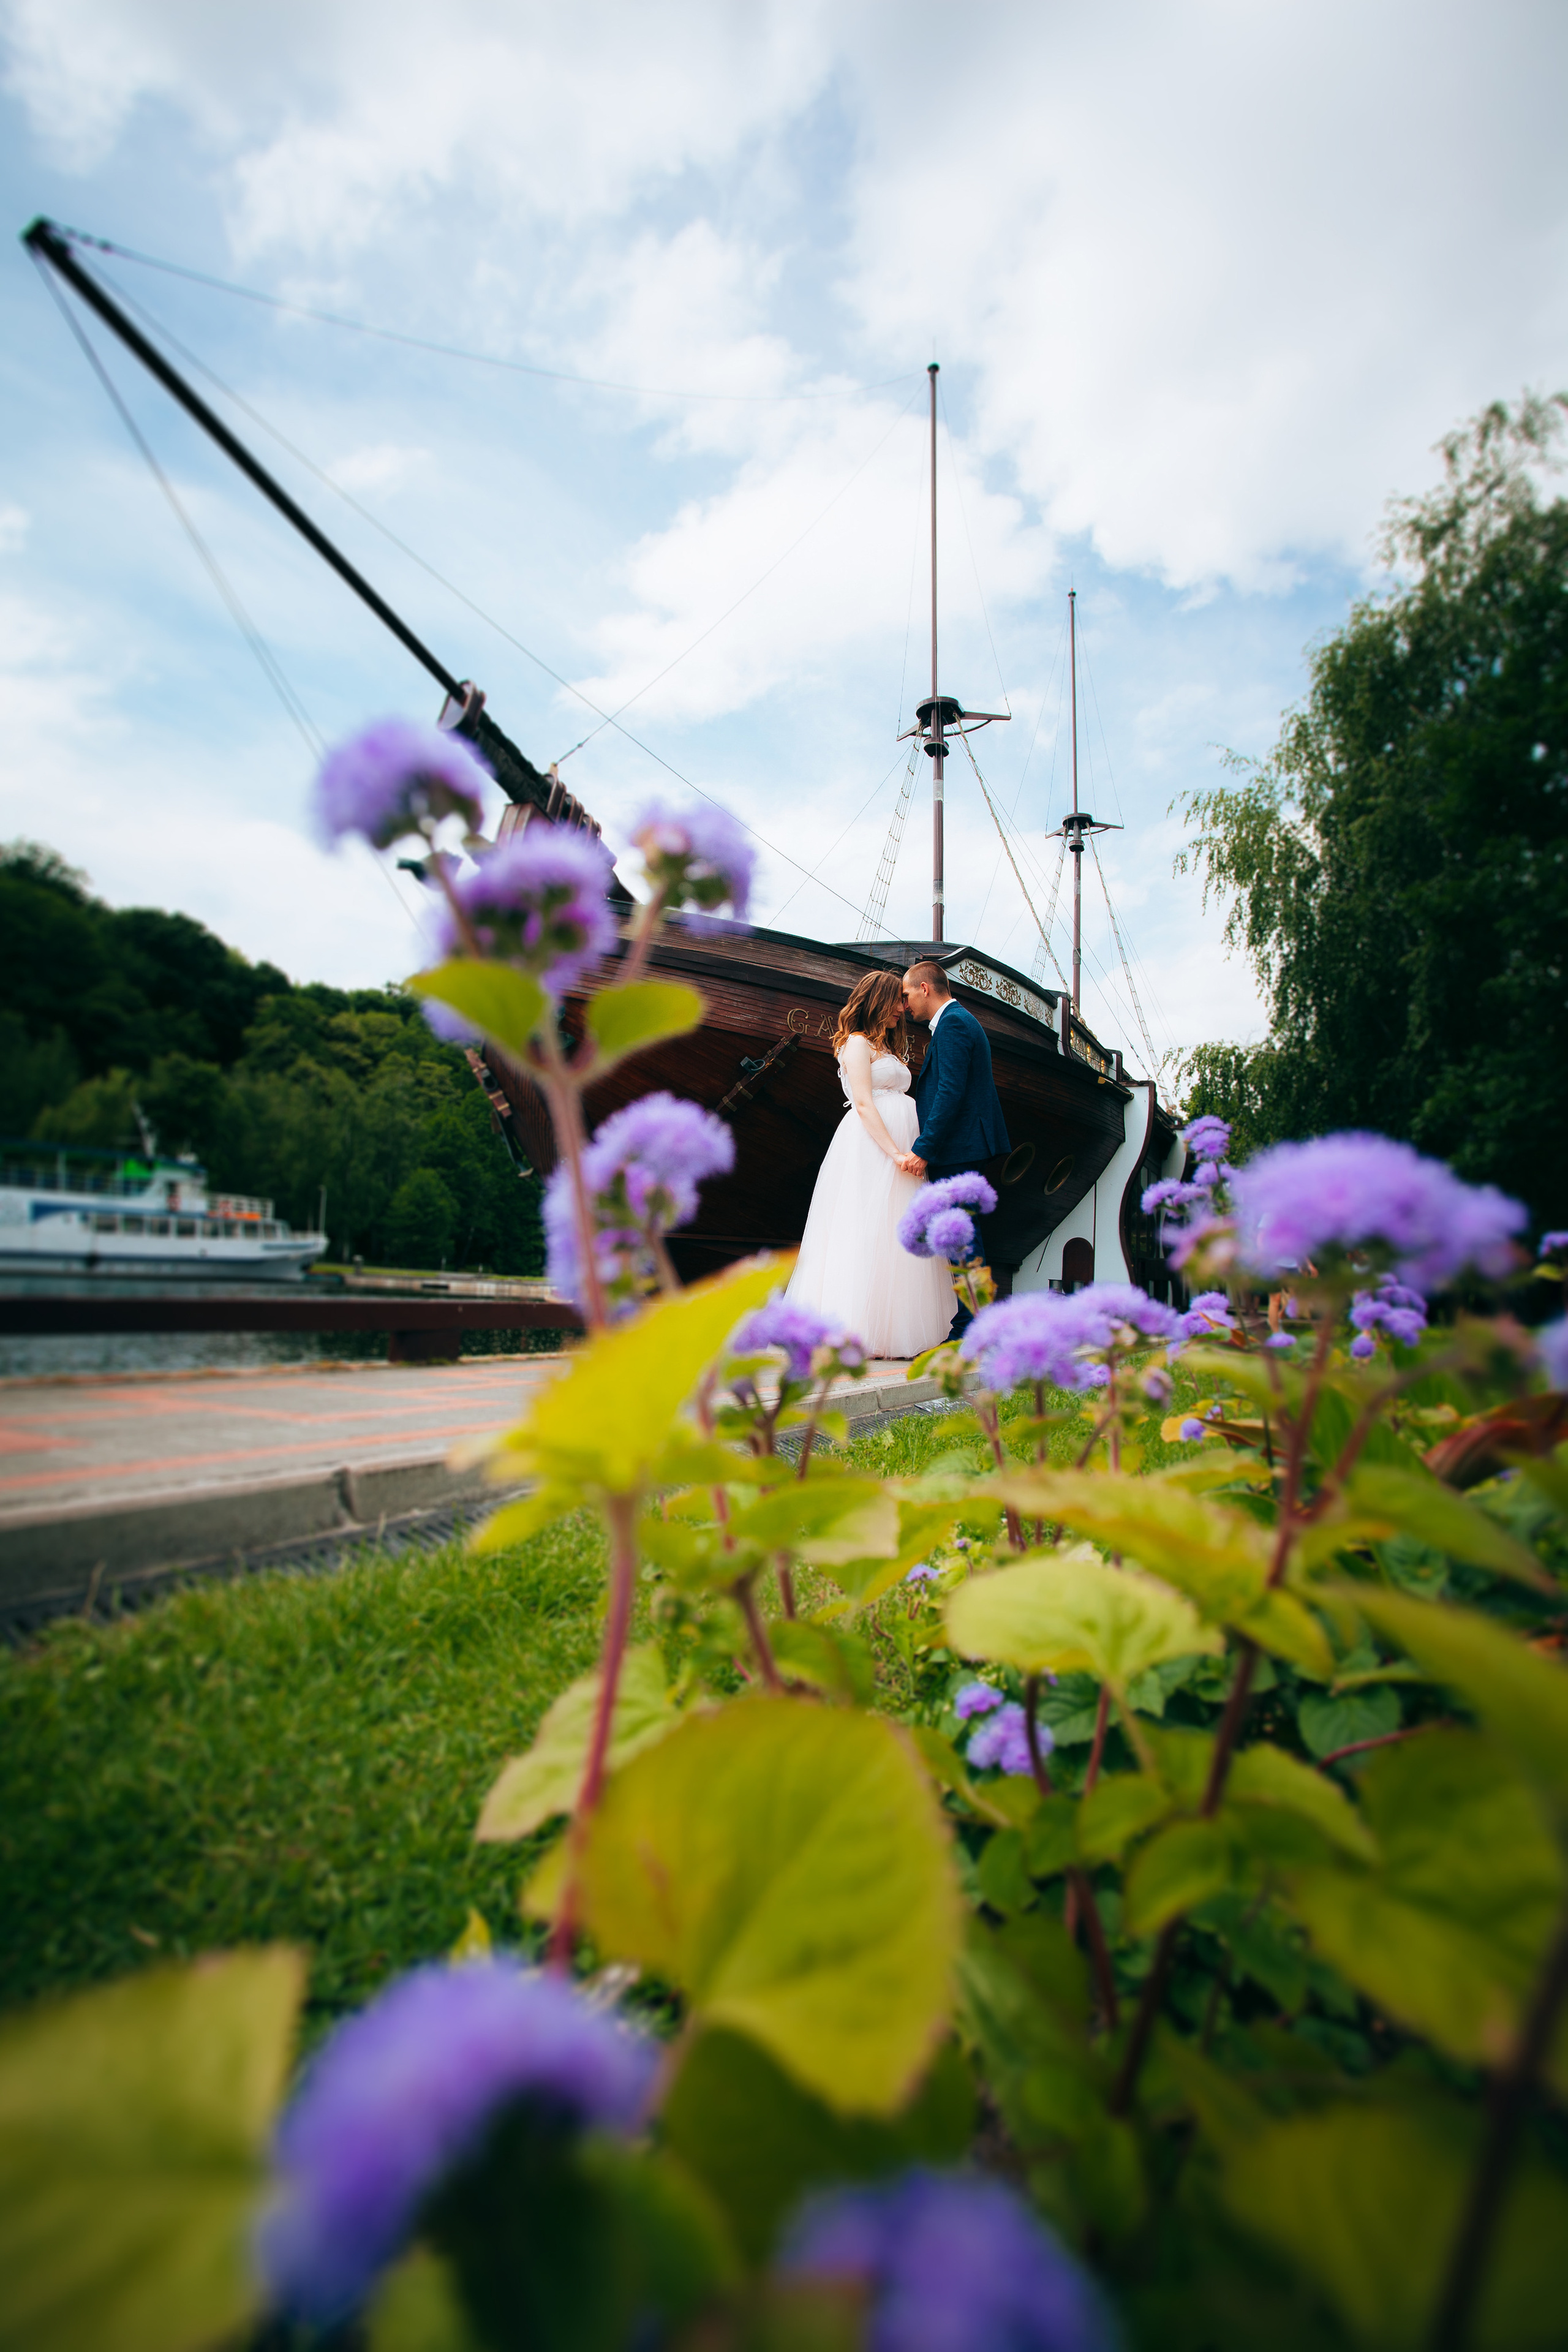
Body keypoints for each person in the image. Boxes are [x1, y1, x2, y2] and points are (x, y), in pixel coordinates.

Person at [785, 968, 955, 1359]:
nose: (902, 1007)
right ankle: (855, 1329)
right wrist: (895, 1152)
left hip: (905, 1147)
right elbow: (862, 1102)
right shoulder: (857, 1043)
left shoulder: (890, 1048)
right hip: (872, 1147)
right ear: (878, 999)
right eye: (897, 999)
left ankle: (893, 1329)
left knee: (896, 1231)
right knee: (865, 1228)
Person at [902, 959, 1011, 1339]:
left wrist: (924, 1148)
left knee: (962, 1236)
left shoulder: (953, 1025)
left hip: (959, 1148)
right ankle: (974, 1324)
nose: (904, 1004)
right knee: (965, 1233)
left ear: (925, 989)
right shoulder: (958, 1022)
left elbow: (950, 1092)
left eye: (906, 994)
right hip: (964, 1146)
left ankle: (970, 1329)